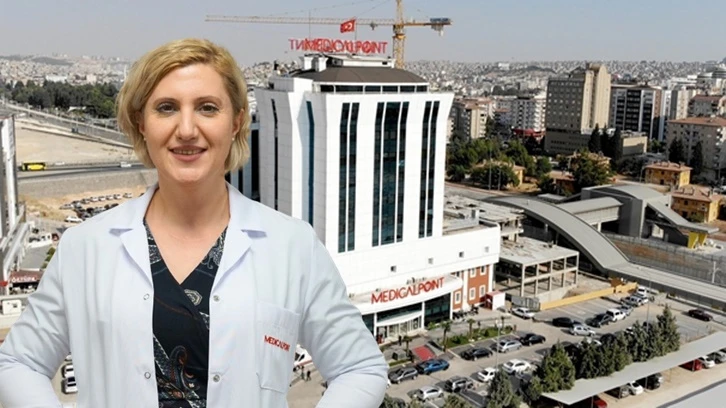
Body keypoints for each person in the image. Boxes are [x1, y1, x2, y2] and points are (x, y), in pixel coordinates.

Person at [0, 38, 388, 407]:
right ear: (141, 123)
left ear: (236, 122)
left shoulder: (293, 246)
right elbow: (17, 363)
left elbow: (360, 367)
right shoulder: (85, 248)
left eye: (207, 108)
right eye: (166, 108)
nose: (186, 130)